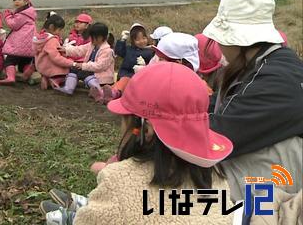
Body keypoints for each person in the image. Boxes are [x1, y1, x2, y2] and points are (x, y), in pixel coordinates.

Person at [40, 63, 234, 225]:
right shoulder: (217, 177)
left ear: (146, 129)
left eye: (124, 118)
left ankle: (77, 214)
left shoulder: (119, 180)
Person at [203, 0, 303, 205]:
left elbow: (215, 137)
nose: (218, 45)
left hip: (277, 194)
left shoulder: (272, 82)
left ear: (236, 40)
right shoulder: (276, 62)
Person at [59, 22, 115, 103]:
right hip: (91, 71)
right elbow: (80, 50)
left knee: (83, 73)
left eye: (93, 38)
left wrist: (83, 66)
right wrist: (66, 50)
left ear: (100, 38)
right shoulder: (92, 45)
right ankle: (68, 88)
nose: (91, 40)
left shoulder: (107, 51)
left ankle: (100, 91)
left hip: (101, 76)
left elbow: (99, 66)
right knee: (74, 69)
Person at [102, 23, 154, 102]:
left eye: (143, 38)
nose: (141, 41)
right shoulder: (129, 49)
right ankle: (103, 93)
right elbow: (119, 51)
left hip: (137, 78)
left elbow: (153, 67)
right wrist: (122, 40)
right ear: (133, 41)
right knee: (121, 82)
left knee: (123, 82)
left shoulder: (150, 52)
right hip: (124, 73)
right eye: (138, 39)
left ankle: (112, 94)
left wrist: (144, 65)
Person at [0, 0, 37, 85]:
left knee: (9, 61)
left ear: (26, 0)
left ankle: (10, 77)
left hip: (19, 45)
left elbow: (13, 24)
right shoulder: (30, 13)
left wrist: (7, 16)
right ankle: (28, 69)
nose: (16, 2)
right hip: (28, 46)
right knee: (23, 63)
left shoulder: (23, 14)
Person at [33, 13, 73, 90]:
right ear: (52, 27)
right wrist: (70, 63)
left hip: (41, 66)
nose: (60, 32)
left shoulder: (39, 37)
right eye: (59, 29)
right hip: (51, 68)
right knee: (69, 73)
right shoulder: (52, 40)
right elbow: (56, 58)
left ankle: (45, 77)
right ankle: (55, 81)